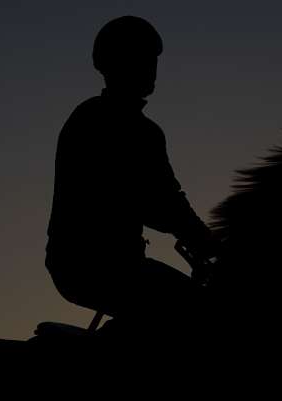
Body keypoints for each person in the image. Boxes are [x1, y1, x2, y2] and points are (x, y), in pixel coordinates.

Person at [45, 16, 217, 329]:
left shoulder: (91, 116)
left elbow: (160, 203)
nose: (151, 69)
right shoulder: (127, 126)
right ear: (121, 62)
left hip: (92, 264)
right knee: (203, 312)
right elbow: (164, 203)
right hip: (103, 266)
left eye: (152, 61)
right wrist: (209, 243)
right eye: (144, 59)